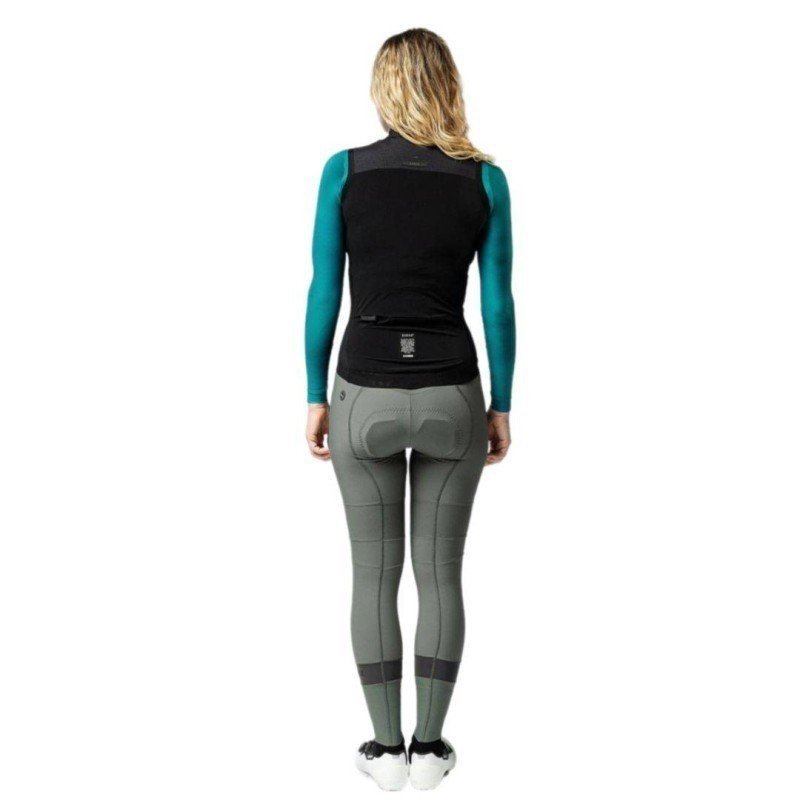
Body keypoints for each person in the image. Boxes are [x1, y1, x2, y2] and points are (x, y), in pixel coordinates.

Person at [304, 28, 515, 791]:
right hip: (452, 395)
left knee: (373, 575)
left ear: (384, 88)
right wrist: (502, 403)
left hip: (361, 394)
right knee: (439, 576)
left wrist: (314, 393)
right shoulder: (485, 180)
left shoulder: (344, 172)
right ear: (448, 85)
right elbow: (498, 302)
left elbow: (323, 291)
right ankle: (429, 750)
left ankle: (383, 750)